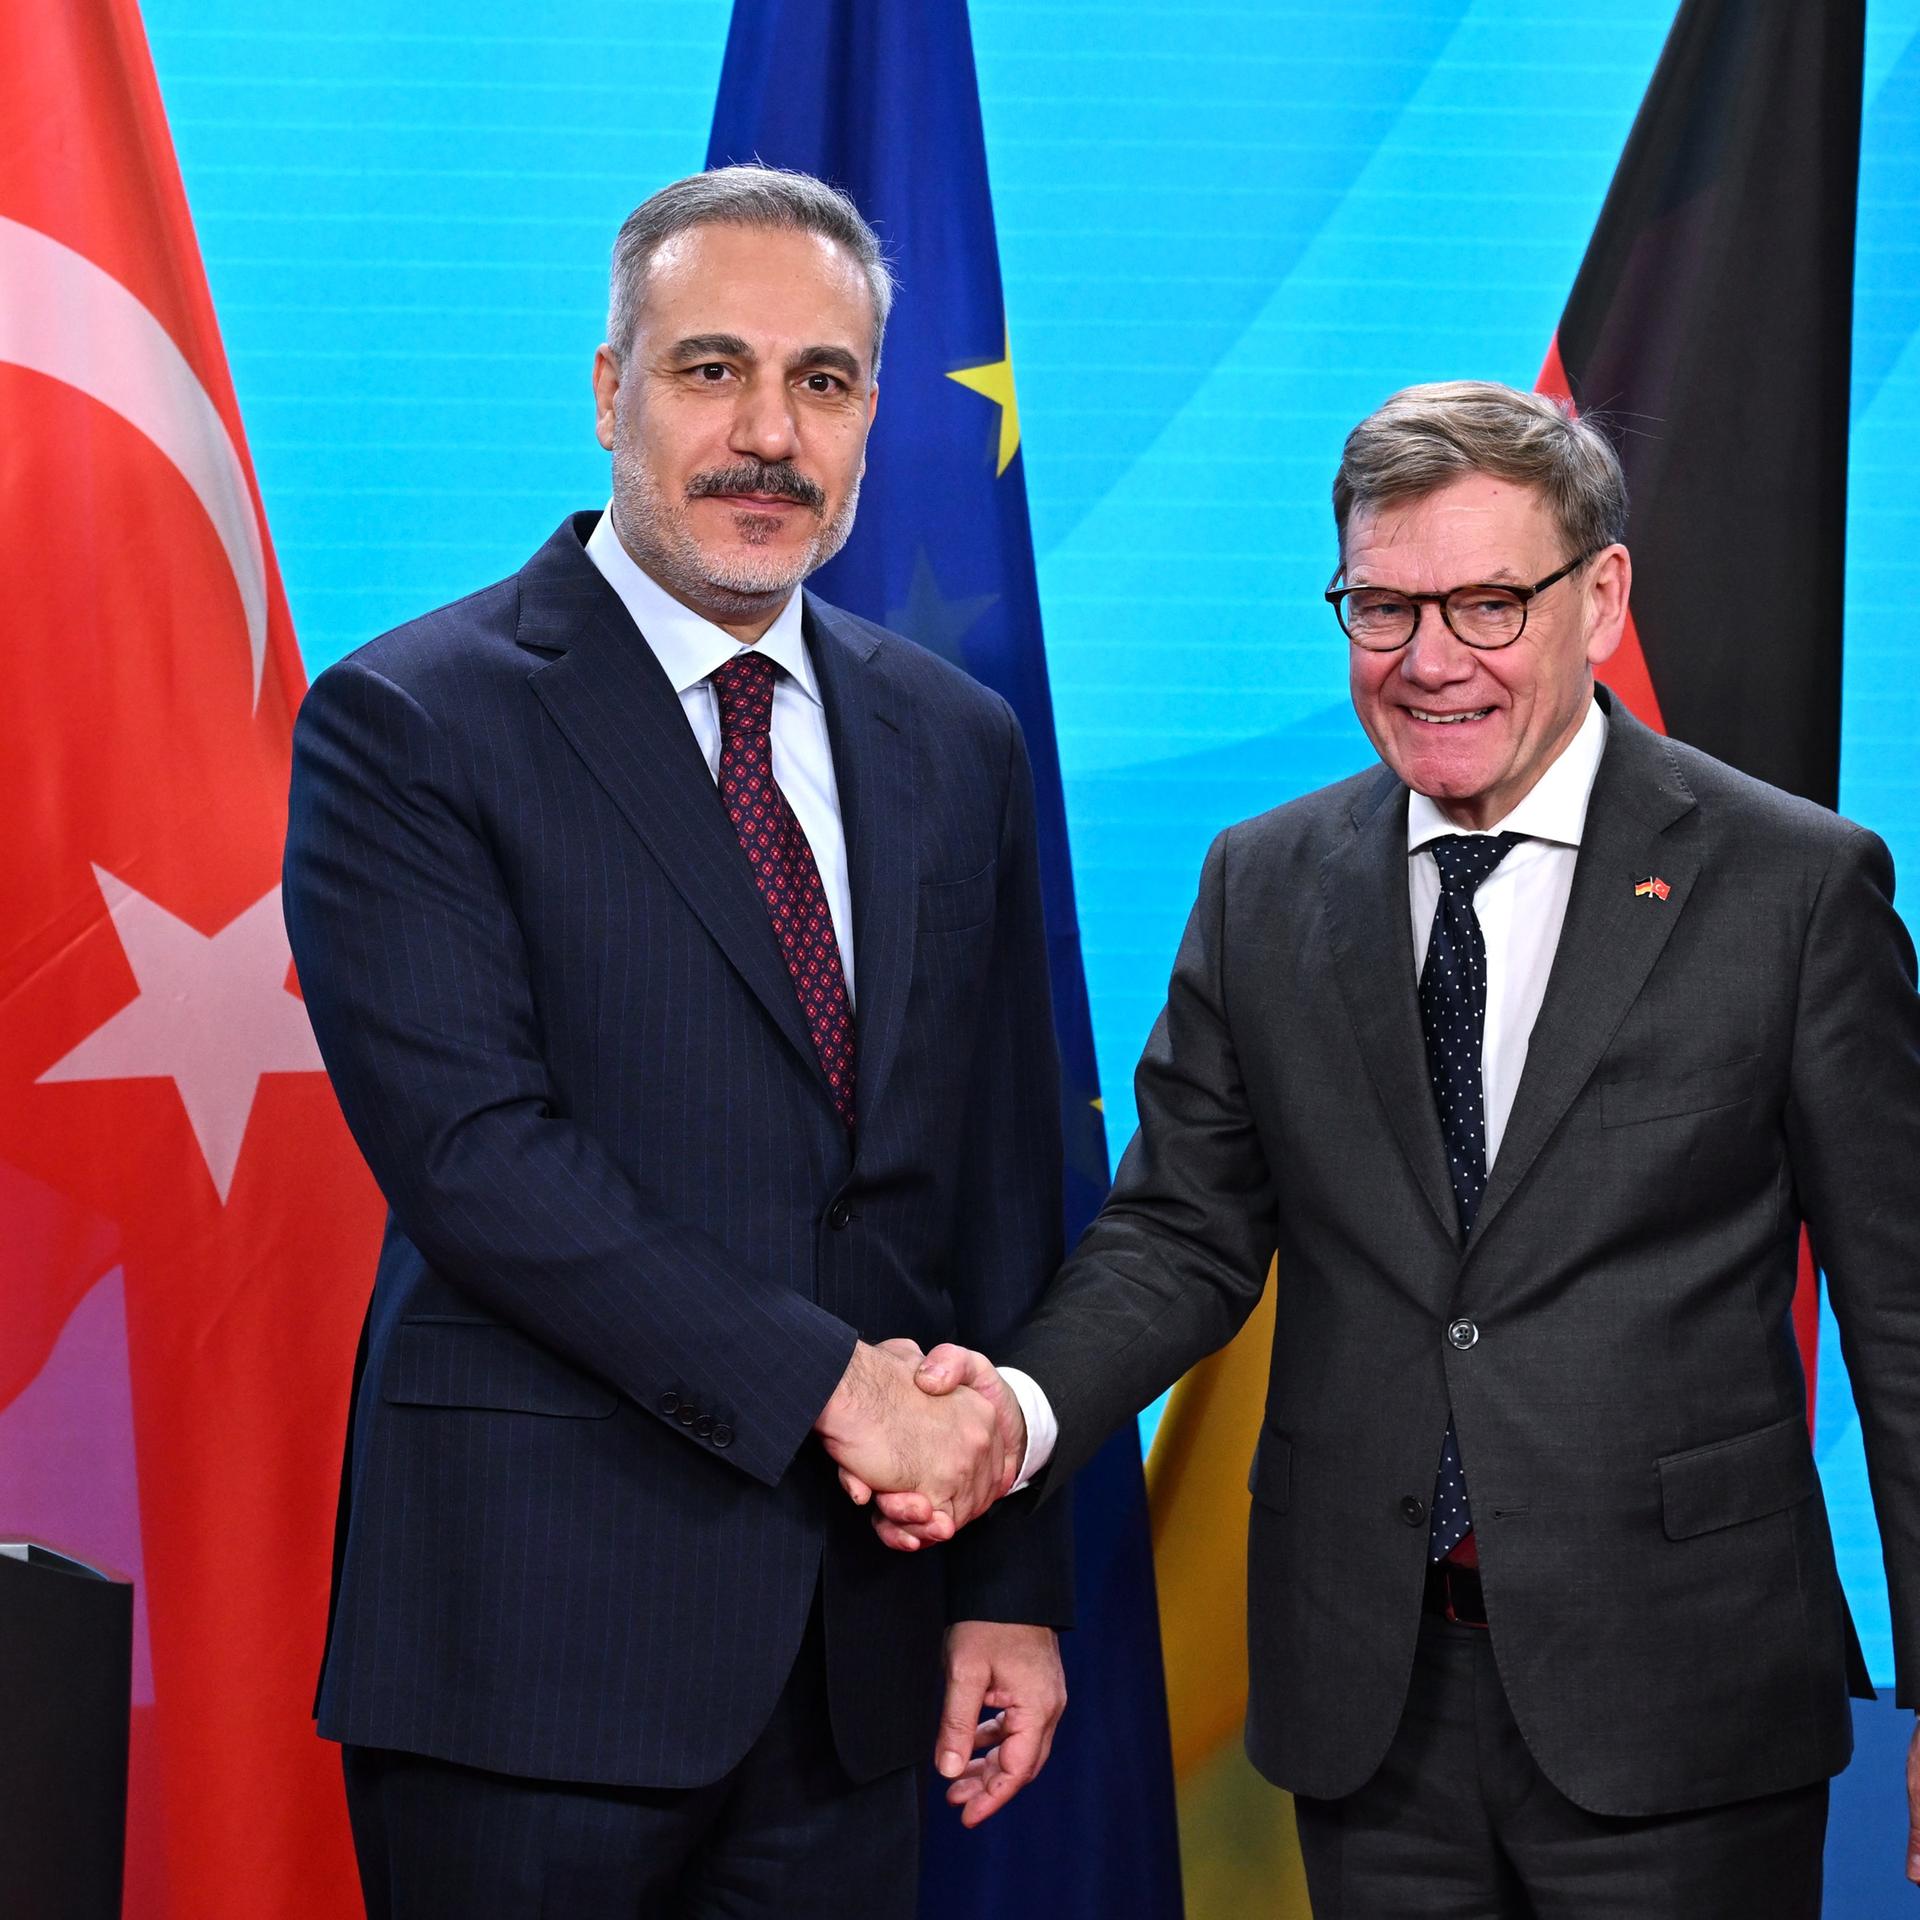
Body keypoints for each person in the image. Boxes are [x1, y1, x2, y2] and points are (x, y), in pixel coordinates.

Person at [880, 381, 1920, 1914]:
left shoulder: (1791, 886)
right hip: (1369, 1696)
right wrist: (1017, 1417)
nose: (1432, 661)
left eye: (1490, 604)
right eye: (1384, 606)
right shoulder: (1264, 883)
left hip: (1683, 1697)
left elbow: (1902, 1314)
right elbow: (1178, 1234)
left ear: (1602, 595)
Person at [282, 165, 1068, 1920]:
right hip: (532, 1653)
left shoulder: (957, 738)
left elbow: (1001, 1176)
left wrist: (1007, 1574)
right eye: (712, 370)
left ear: (872, 415)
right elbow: (483, 1161)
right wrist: (838, 1392)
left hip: (863, 1654)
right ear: (609, 389)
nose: (768, 435)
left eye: (825, 382)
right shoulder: (413, 720)